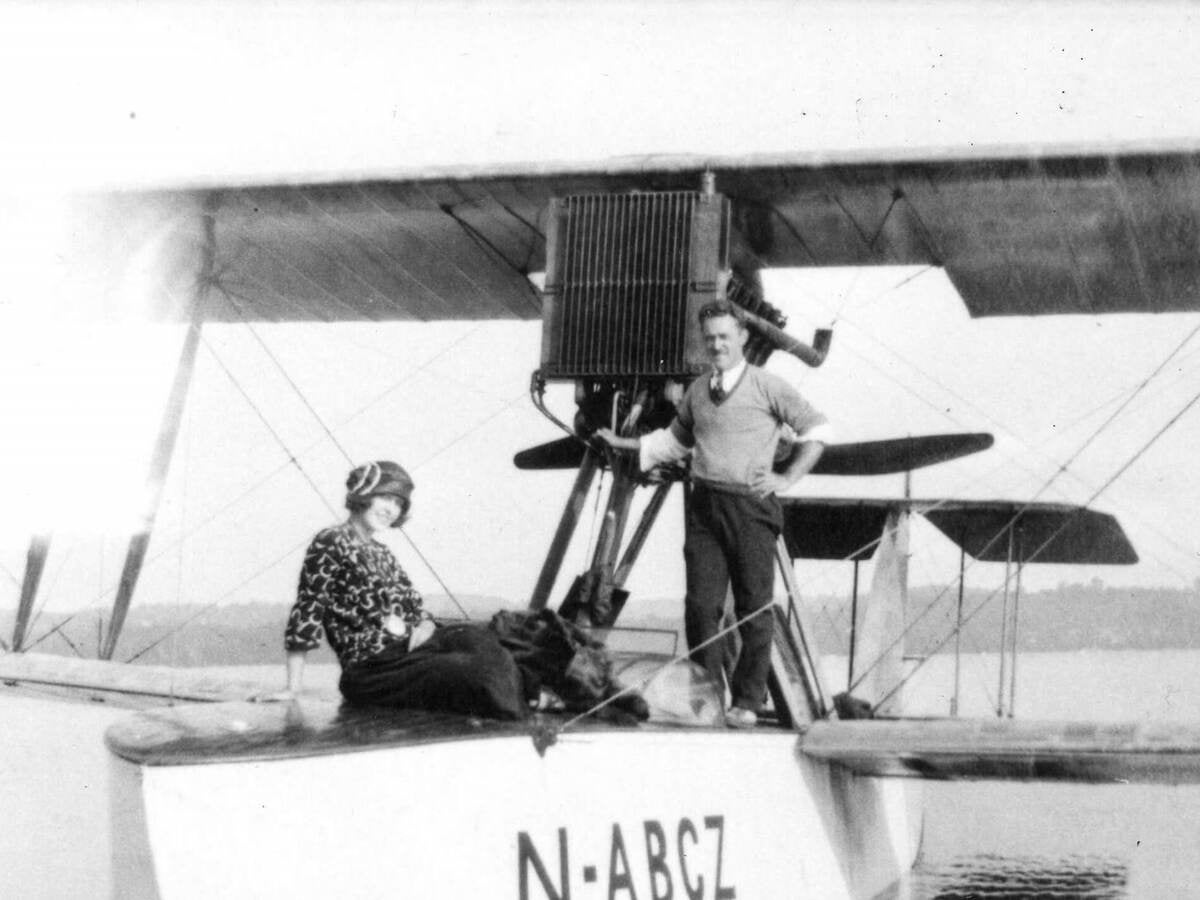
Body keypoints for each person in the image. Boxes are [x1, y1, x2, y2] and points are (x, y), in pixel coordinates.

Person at [596, 298, 832, 728]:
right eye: (710, 339)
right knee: (701, 607)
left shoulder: (768, 386)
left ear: (742, 337)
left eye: (725, 336)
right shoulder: (698, 391)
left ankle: (747, 701)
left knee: (753, 608)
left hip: (750, 507)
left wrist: (788, 478)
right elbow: (672, 442)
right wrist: (622, 443)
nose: (717, 345)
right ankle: (708, 697)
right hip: (704, 506)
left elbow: (818, 430)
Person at [279, 460, 529, 719]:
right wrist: (292, 688)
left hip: (409, 653)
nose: (392, 509)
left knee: (482, 637)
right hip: (371, 670)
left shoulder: (383, 553)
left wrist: (424, 627)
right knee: (463, 668)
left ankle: (533, 699)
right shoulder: (331, 541)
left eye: (399, 503)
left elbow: (415, 608)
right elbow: (308, 608)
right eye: (385, 497)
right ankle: (523, 713)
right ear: (363, 495)